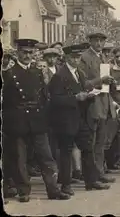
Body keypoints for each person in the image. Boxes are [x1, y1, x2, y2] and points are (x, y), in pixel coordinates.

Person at [2, 38, 70, 202]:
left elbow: (44, 97)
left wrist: (45, 117)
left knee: (46, 156)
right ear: (18, 53)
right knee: (20, 158)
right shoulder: (8, 74)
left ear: (34, 54)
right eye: (24, 52)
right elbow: (7, 103)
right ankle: (24, 191)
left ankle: (53, 190)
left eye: (30, 52)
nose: (27, 55)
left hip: (37, 120)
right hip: (18, 121)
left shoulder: (38, 72)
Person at [49, 43, 111, 195]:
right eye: (73, 57)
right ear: (67, 58)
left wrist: (89, 95)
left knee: (87, 148)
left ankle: (91, 181)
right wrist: (75, 98)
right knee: (66, 152)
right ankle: (65, 185)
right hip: (66, 119)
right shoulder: (59, 76)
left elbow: (85, 88)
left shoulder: (79, 73)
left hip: (80, 118)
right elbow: (55, 99)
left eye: (78, 57)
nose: (76, 60)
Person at [79, 32, 117, 184]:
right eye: (96, 40)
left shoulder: (103, 57)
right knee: (91, 142)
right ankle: (91, 175)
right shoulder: (84, 58)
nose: (99, 44)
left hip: (104, 103)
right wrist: (101, 80)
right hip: (92, 104)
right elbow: (83, 82)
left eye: (102, 41)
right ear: (90, 41)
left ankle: (99, 173)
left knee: (100, 142)